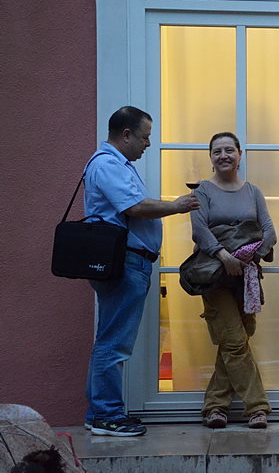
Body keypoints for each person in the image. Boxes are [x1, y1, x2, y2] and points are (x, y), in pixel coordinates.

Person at [83, 106, 200, 436]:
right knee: (114, 343)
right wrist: (177, 206)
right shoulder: (108, 165)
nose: (148, 144)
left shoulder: (117, 165)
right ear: (126, 135)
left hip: (129, 262)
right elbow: (134, 207)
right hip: (125, 263)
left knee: (111, 339)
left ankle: (100, 412)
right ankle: (107, 415)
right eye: (145, 137)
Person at [190, 132, 277, 430]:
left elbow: (269, 231)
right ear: (211, 157)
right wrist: (225, 256)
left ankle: (215, 406)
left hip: (247, 276)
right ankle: (257, 407)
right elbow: (199, 230)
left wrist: (249, 257)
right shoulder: (202, 191)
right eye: (217, 151)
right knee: (235, 341)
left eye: (229, 150)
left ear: (240, 154)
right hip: (214, 276)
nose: (223, 156)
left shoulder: (253, 191)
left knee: (238, 338)